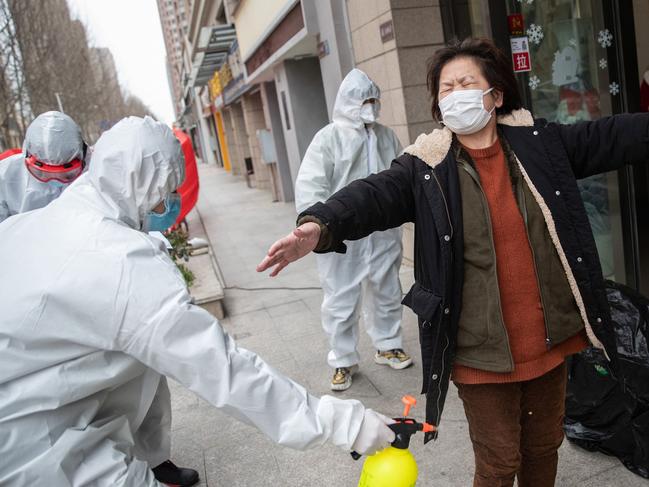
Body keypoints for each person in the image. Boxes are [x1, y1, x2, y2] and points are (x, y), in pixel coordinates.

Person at [257, 38, 649, 487]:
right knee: (501, 461)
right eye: (446, 88)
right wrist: (319, 224)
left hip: (548, 337)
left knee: (543, 448)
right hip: (477, 350)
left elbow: (615, 136)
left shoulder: (540, 146)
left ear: (495, 95)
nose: (455, 93)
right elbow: (370, 196)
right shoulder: (425, 166)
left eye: (466, 83)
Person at [0, 116, 395, 486]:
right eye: (169, 188)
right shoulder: (118, 263)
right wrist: (345, 423)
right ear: (147, 186)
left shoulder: (28, 226)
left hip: (46, 418)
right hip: (42, 444)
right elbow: (221, 368)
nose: (172, 200)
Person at [294, 68, 412, 392]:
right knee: (341, 299)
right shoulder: (328, 138)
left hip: (383, 233)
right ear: (348, 102)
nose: (370, 106)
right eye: (364, 101)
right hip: (342, 235)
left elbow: (402, 177)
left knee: (387, 291)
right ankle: (343, 360)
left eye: (374, 100)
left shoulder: (387, 136)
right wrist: (317, 227)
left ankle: (388, 344)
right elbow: (311, 184)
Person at [0, 111, 87, 223]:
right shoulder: (6, 174)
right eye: (42, 173)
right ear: (26, 155)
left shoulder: (95, 168)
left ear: (82, 156)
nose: (55, 181)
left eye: (67, 174)